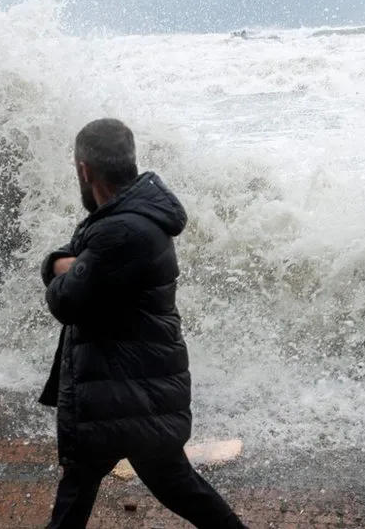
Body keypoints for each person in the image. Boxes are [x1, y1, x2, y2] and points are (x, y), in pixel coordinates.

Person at [39, 118, 247, 528]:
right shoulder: (129, 215)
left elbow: (65, 300)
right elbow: (79, 254)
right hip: (127, 387)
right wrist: (65, 262)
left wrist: (58, 266)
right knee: (164, 485)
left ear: (84, 170)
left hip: (127, 392)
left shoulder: (122, 229)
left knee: (164, 485)